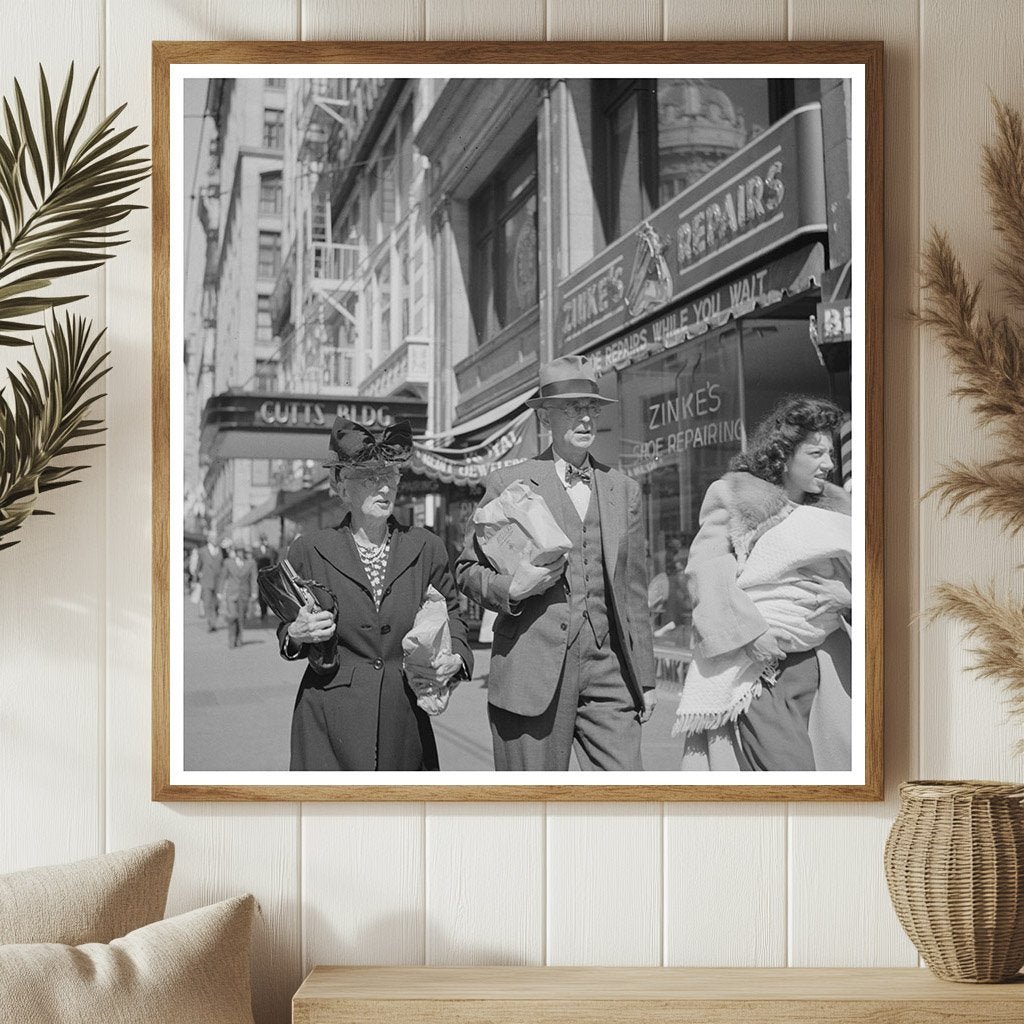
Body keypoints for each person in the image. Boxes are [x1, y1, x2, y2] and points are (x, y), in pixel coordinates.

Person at [456, 355, 656, 771]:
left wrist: (646, 678)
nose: (585, 419)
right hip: (532, 670)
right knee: (535, 806)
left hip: (609, 668)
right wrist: (510, 589)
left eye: (591, 408)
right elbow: (467, 570)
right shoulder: (510, 483)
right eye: (571, 409)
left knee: (629, 795)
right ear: (546, 418)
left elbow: (634, 592)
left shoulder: (624, 490)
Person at [279, 417, 473, 771]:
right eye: (370, 478)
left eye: (390, 477)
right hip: (327, 720)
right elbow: (287, 628)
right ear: (340, 485)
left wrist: (457, 657)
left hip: (404, 720)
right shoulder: (309, 551)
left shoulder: (426, 547)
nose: (384, 489)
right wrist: (296, 632)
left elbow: (454, 613)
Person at [674, 395, 853, 771]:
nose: (829, 464)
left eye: (830, 454)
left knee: (835, 767)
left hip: (831, 663)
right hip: (765, 669)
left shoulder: (838, 509)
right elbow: (706, 573)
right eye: (816, 453)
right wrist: (750, 634)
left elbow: (866, 571)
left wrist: (850, 596)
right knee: (789, 773)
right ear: (784, 453)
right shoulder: (736, 498)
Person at [218, 543, 257, 649]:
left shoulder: (250, 563)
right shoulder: (228, 563)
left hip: (244, 594)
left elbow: (254, 578)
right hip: (231, 594)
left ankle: (239, 639)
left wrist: (254, 592)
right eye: (238, 551)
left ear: (244, 553)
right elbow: (223, 577)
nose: (240, 554)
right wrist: (220, 592)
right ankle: (231, 639)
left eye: (242, 552)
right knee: (233, 616)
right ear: (235, 552)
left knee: (241, 618)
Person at [195, 530, 224, 631]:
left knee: (216, 603)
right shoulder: (202, 551)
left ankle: (214, 619)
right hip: (206, 581)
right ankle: (211, 623)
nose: (216, 539)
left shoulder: (221, 550)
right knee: (207, 603)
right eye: (214, 538)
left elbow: (224, 565)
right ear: (209, 539)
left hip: (218, 581)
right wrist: (195, 580)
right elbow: (198, 566)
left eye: (217, 537)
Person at [253, 534, 278, 619]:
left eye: (265, 539)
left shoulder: (271, 549)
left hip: (268, 574)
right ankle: (263, 612)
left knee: (268, 593)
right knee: (261, 594)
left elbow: (274, 558)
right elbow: (255, 560)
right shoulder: (256, 550)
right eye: (262, 539)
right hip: (260, 574)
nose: (264, 541)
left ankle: (267, 611)